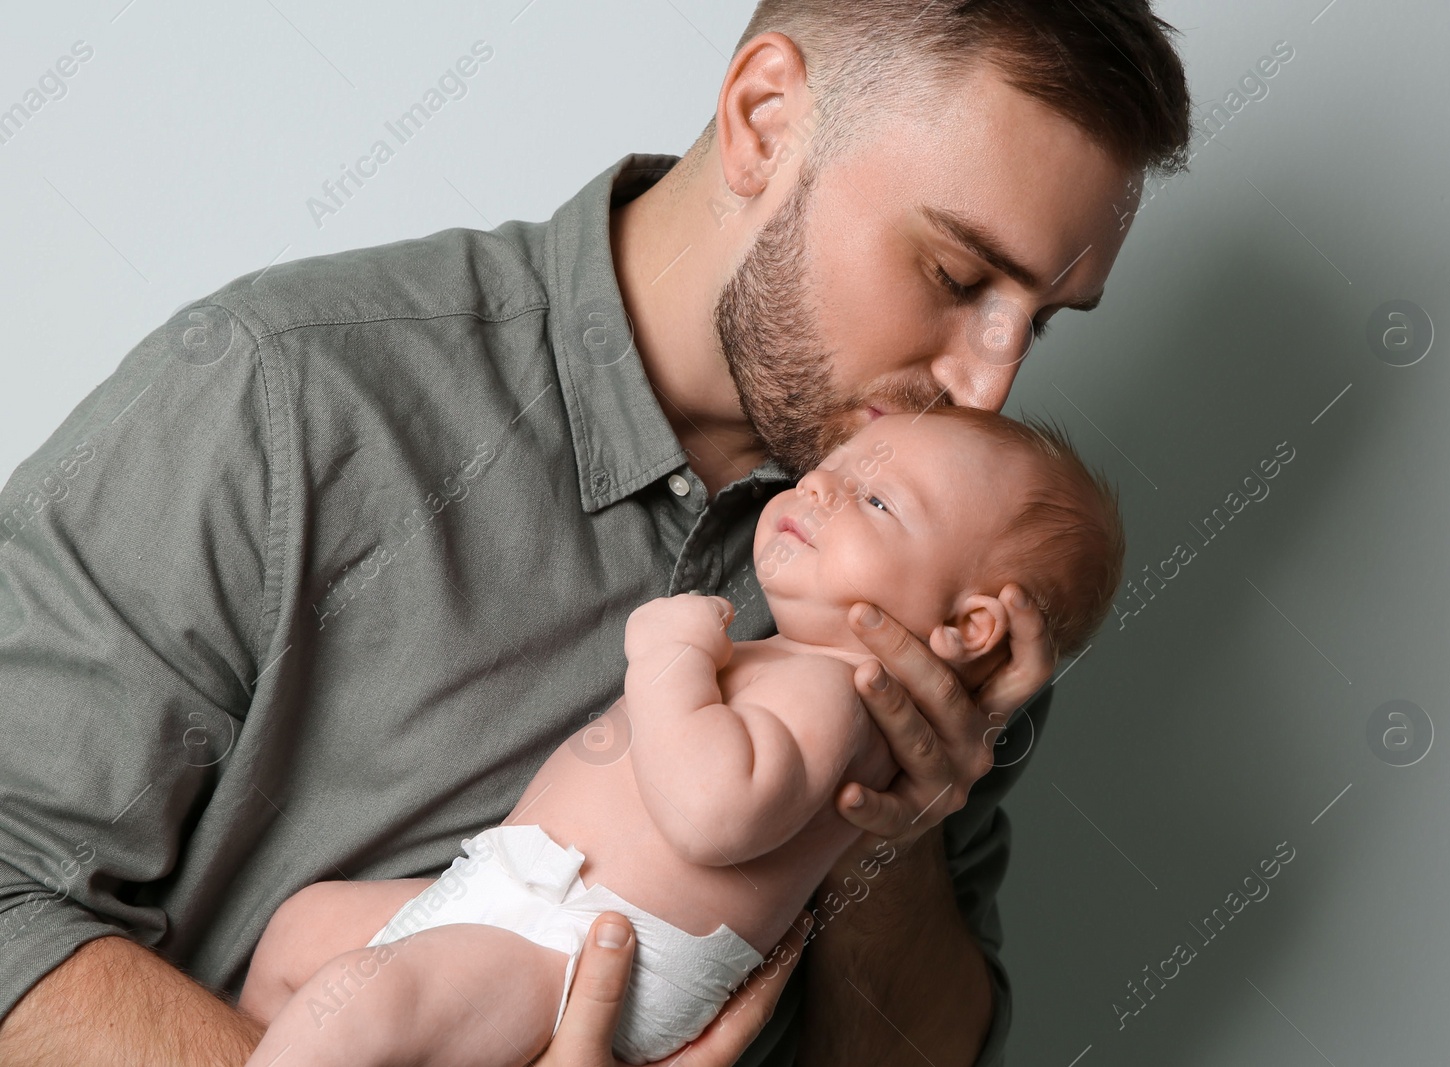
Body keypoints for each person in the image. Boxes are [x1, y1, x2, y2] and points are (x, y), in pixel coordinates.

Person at [0, 1, 1189, 1064]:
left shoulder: (951, 585)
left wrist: (888, 831)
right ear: (766, 120)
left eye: (1041, 323)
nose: (985, 387)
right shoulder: (285, 392)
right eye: (954, 272)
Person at [235, 407, 1125, 1066]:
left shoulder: (841, 696)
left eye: (878, 499)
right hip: (511, 900)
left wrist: (663, 654)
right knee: (301, 937)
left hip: (580, 955)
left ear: (969, 629)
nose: (819, 486)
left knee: (363, 1014)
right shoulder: (789, 657)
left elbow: (713, 809)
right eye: (836, 464)